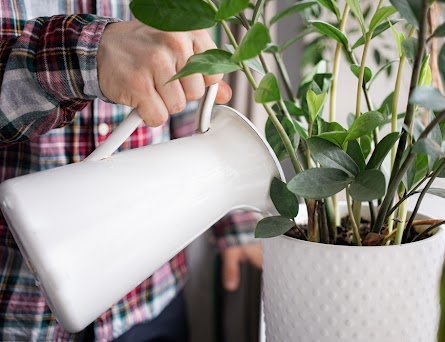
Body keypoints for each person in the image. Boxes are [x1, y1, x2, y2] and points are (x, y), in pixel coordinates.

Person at [0, 1, 262, 341]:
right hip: (21, 304)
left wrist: (233, 222)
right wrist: (88, 58)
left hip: (151, 299)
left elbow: (185, 97)